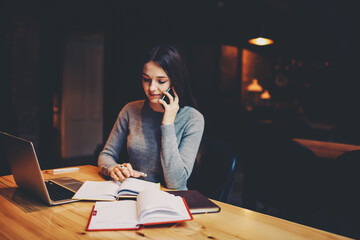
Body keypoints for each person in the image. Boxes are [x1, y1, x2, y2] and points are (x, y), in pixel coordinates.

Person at [98, 44, 204, 190]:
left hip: (172, 200)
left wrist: (168, 124)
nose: (152, 88)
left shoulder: (193, 118)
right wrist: (114, 169)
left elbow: (176, 183)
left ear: (175, 81)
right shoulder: (130, 110)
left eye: (161, 81)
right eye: (146, 79)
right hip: (134, 193)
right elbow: (106, 155)